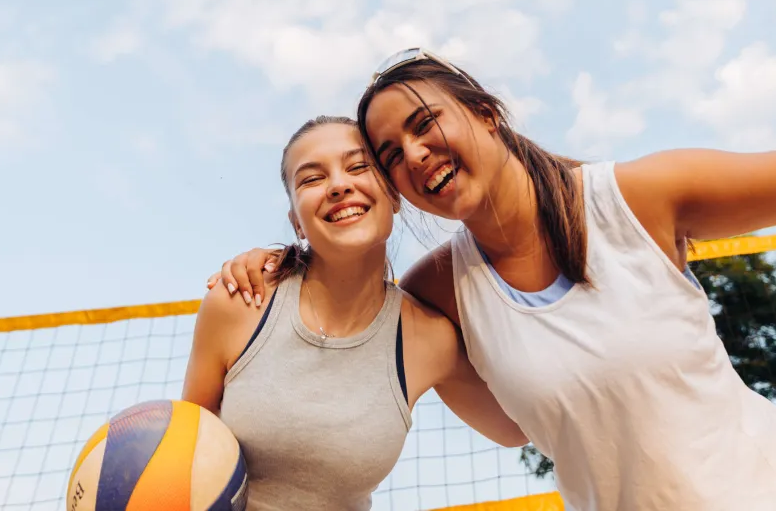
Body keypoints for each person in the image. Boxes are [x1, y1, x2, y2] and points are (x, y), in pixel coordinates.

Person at [206, 48, 776, 510]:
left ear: (486, 113)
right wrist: (278, 261)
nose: (415, 155)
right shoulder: (438, 292)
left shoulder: (635, 199)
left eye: (426, 125)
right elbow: (511, 428)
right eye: (391, 153)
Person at [182, 114, 526, 511]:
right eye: (311, 178)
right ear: (297, 222)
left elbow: (515, 428)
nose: (339, 185)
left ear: (395, 196)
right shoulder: (241, 300)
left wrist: (494, 275)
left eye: (359, 166)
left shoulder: (429, 338)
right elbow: (182, 451)